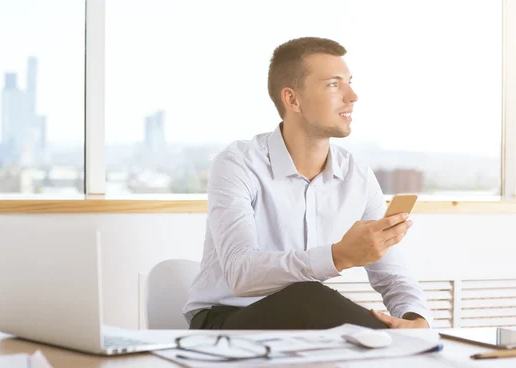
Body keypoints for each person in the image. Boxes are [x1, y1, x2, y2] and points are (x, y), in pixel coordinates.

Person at [183, 37, 432, 330]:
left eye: (350, 82)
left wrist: (416, 321)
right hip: (226, 321)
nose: (352, 96)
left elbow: (393, 274)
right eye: (333, 84)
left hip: (304, 322)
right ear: (292, 99)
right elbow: (241, 274)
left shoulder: (357, 176)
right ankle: (390, 345)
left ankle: (397, 343)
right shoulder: (237, 163)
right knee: (309, 294)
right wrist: (337, 256)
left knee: (316, 301)